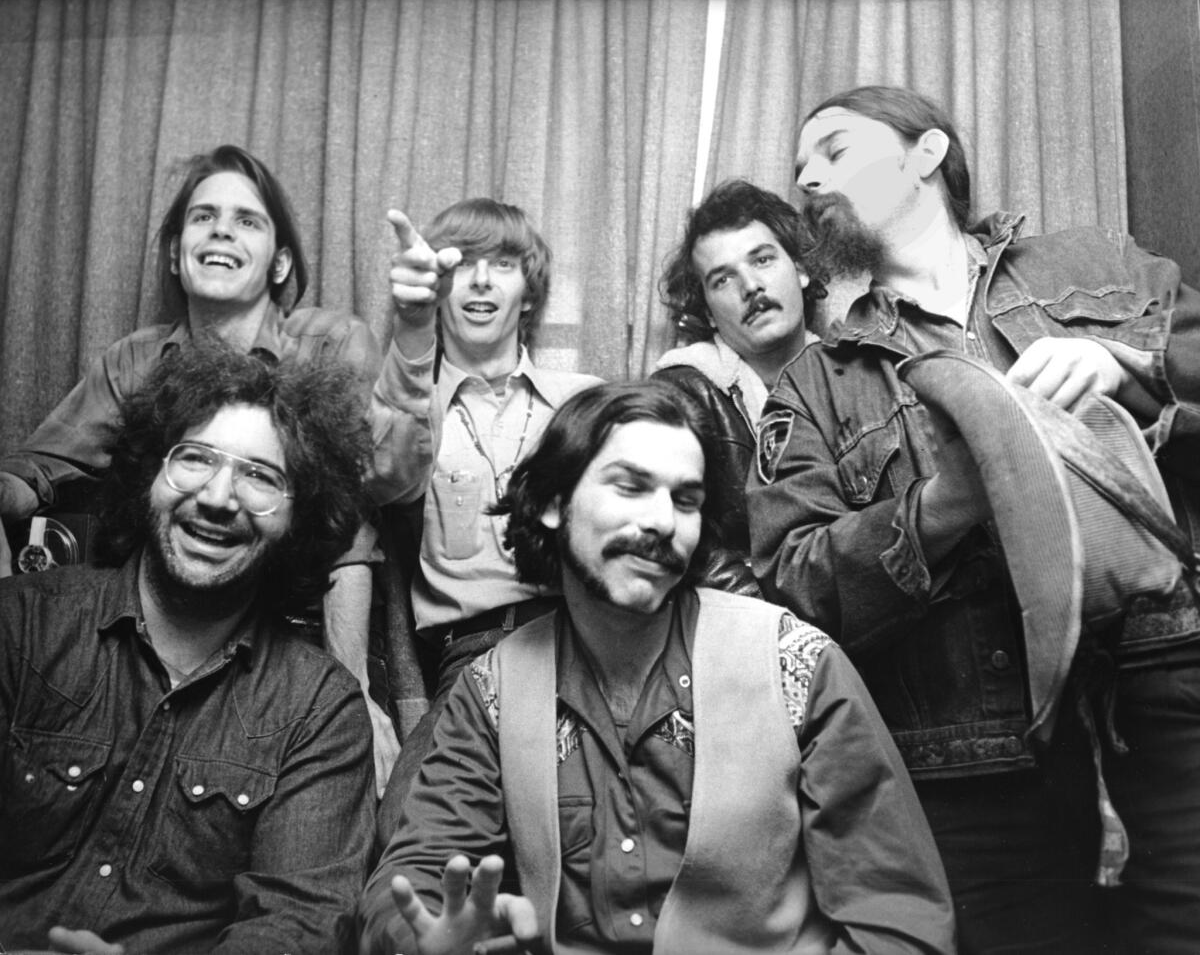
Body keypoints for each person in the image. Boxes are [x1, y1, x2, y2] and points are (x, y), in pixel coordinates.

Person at [749, 84, 1200, 954]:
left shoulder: (1094, 263)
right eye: (800, 164)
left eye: (833, 150)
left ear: (928, 153)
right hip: (977, 768)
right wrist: (943, 505)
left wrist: (1128, 365)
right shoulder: (813, 386)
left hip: (1171, 693)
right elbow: (796, 590)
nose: (805, 177)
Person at [359, 379, 956, 955]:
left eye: (686, 500)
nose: (663, 522)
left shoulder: (796, 664)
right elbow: (410, 883)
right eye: (631, 487)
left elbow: (899, 924)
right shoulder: (491, 690)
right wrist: (426, 939)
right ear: (549, 504)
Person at [0, 144, 400, 785]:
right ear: (174, 255)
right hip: (165, 631)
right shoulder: (134, 361)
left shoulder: (329, 345)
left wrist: (350, 690)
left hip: (301, 632)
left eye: (247, 221)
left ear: (280, 263)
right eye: (203, 216)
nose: (220, 229)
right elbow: (34, 471)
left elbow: (354, 526)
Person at [0, 343, 375, 954]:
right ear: (150, 474)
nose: (219, 496)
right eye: (196, 458)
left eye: (260, 476)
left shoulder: (320, 711)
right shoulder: (21, 625)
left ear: (298, 519)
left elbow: (296, 929)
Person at [370, 198, 601, 837]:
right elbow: (385, 471)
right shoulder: (408, 407)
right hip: (470, 659)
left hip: (587, 646)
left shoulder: (583, 401)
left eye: (502, 264)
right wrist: (411, 329)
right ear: (440, 287)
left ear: (528, 293)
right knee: (405, 834)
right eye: (463, 262)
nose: (479, 279)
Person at [654, 178, 827, 590]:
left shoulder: (856, 378)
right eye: (723, 280)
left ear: (800, 270)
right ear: (709, 313)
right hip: (747, 626)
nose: (751, 287)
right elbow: (683, 542)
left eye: (763, 260)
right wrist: (781, 625)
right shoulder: (682, 396)